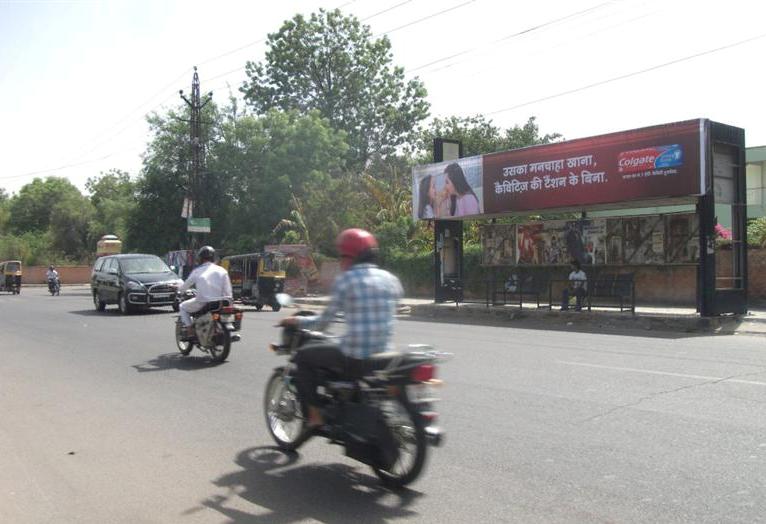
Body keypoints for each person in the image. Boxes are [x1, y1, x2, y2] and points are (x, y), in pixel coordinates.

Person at [279, 228, 404, 428]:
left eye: (341, 256)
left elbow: (323, 323)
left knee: (303, 356)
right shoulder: (390, 279)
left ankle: (314, 417)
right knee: (332, 345)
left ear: (349, 256)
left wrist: (297, 321)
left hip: (355, 355)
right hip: (384, 352)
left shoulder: (346, 281)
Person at [178, 246, 233, 338]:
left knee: (182, 306)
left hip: (204, 302)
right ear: (213, 258)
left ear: (200, 258)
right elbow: (228, 290)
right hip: (222, 302)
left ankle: (190, 329)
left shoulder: (197, 271)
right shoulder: (222, 270)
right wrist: (230, 301)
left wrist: (179, 290)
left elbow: (185, 286)